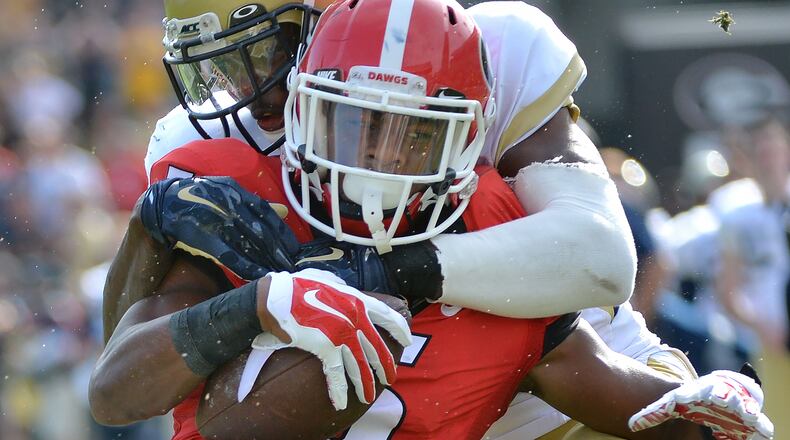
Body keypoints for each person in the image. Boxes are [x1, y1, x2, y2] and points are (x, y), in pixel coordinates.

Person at [92, 0, 773, 439]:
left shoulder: (495, 186)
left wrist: (702, 415)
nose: (375, 163)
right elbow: (119, 386)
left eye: (412, 136)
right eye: (351, 125)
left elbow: (599, 265)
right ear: (310, 105)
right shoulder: (222, 169)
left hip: (539, 405)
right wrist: (244, 299)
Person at [717, 117, 790, 438]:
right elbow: (728, 289)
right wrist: (760, 325)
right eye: (761, 153)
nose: (769, 161)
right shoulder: (737, 214)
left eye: (775, 151)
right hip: (770, 343)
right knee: (775, 426)